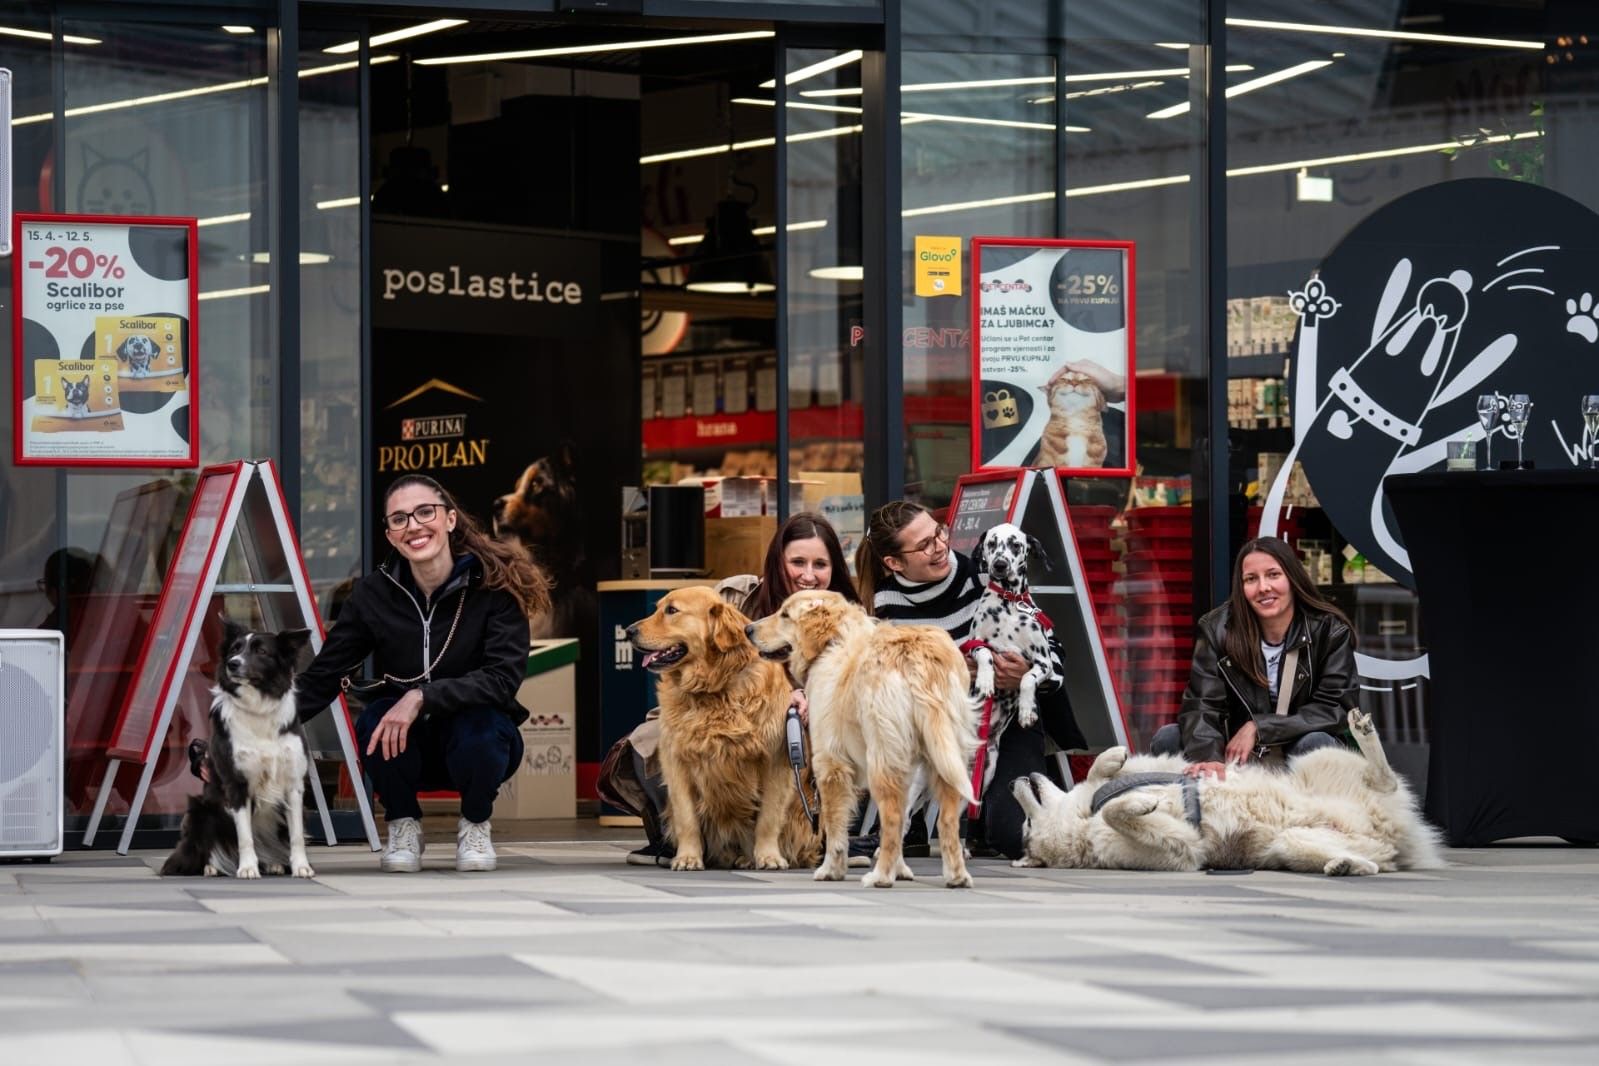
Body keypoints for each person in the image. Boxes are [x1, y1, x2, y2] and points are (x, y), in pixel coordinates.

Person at [291, 474, 551, 873]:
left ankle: (477, 823)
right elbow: (323, 677)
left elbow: (501, 680)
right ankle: (402, 824)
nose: (413, 525)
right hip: (404, 749)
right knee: (376, 719)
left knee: (482, 725)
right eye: (399, 519)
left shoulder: (496, 589)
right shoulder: (371, 595)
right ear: (391, 535)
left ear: (449, 519)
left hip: (476, 745)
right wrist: (248, 730)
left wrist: (421, 697)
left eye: (424, 512)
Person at [616, 511, 860, 866]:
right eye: (798, 562)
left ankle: (797, 838)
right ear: (778, 561)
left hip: (811, 727)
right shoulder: (737, 595)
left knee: (787, 740)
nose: (809, 575)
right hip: (714, 704)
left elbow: (853, 688)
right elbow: (714, 652)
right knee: (651, 740)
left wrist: (808, 696)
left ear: (833, 568)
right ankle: (684, 839)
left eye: (820, 564)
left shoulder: (846, 618)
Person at [855, 500, 1084, 860]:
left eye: (939, 532)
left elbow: (1052, 650)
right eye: (925, 545)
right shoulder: (887, 600)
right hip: (937, 720)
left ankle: (980, 814)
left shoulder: (986, 573)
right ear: (894, 563)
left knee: (1011, 836)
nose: (940, 546)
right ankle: (904, 826)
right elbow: (891, 678)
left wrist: (1025, 675)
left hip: (1007, 719)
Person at [1152, 536, 1356, 777]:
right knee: (1168, 738)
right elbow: (1202, 703)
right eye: (1251, 579)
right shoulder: (1217, 629)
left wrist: (1260, 728)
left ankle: (1319, 815)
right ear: (1241, 587)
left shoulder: (1329, 631)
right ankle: (1195, 810)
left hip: (1295, 744)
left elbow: (1335, 707)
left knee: (1316, 745)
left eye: (1273, 575)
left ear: (1292, 577)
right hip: (1236, 752)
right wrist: (1209, 758)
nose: (1263, 588)